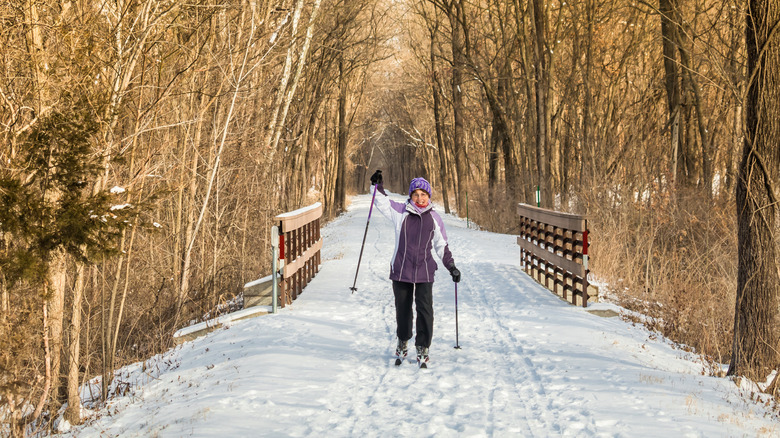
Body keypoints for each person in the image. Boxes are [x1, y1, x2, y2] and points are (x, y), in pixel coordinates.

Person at [369, 169, 461, 367]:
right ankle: (403, 341)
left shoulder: (434, 218)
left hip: (424, 271)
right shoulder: (400, 212)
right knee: (403, 311)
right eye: (416, 194)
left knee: (425, 310)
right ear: (410, 196)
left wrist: (451, 266)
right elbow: (382, 202)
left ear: (428, 196)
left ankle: (423, 346)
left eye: (423, 194)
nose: (420, 198)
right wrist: (378, 186)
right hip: (401, 270)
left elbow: (441, 245)